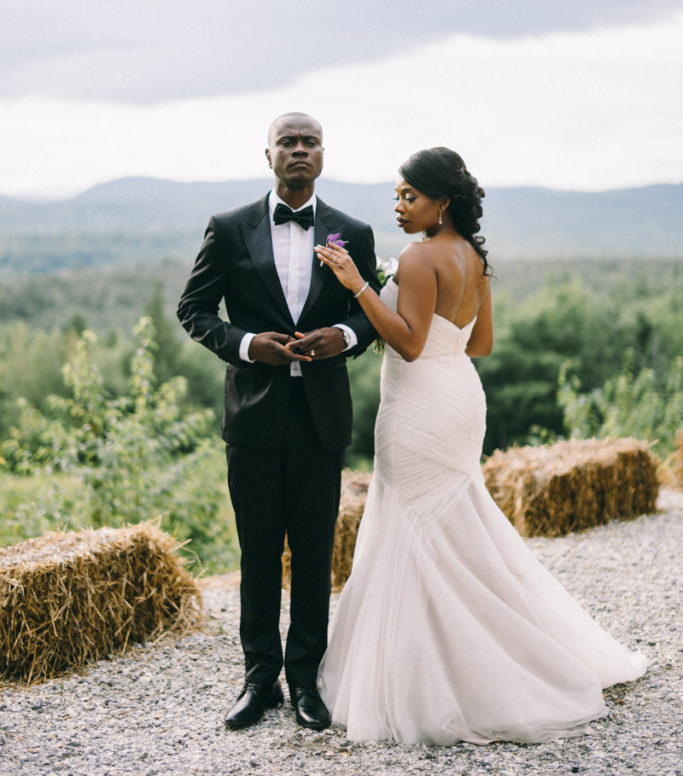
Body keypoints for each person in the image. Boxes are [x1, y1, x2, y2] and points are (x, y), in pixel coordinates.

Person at [314, 146, 647, 745]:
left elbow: (409, 346)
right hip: (460, 399)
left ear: (442, 201)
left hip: (418, 408)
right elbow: (480, 344)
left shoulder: (417, 259)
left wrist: (361, 286)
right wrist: (428, 332)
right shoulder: (475, 258)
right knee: (453, 527)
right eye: (396, 195)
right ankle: (488, 652)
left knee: (415, 527)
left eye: (409, 196)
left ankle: (431, 682)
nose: (398, 206)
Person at [177, 112, 380, 732]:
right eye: (287, 142)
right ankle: (258, 676)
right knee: (259, 551)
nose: (299, 150)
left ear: (323, 154)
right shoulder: (229, 227)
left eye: (309, 141)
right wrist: (246, 345)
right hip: (254, 419)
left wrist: (341, 336)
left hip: (321, 419)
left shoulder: (353, 230)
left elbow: (372, 312)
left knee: (316, 553)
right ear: (267, 154)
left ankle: (305, 681)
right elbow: (193, 309)